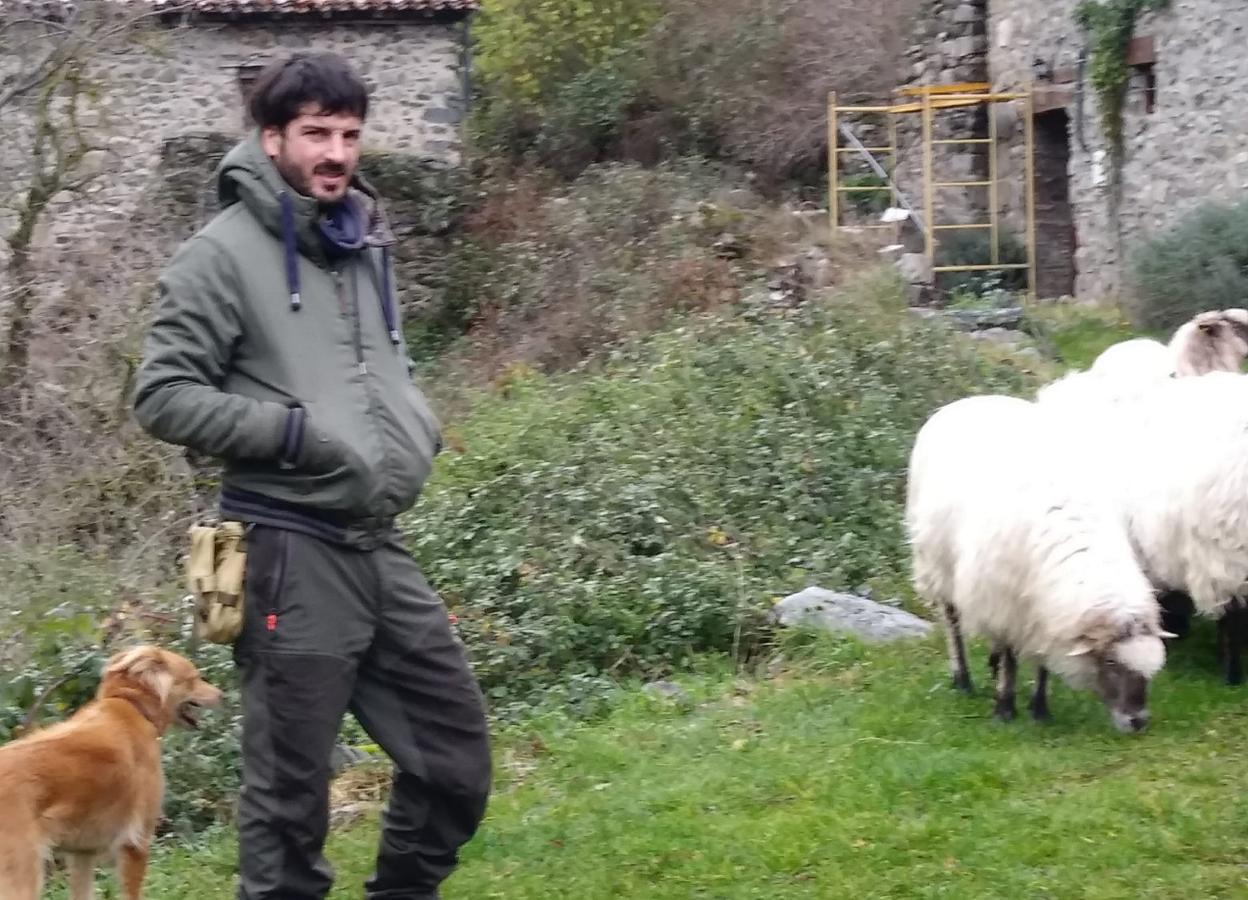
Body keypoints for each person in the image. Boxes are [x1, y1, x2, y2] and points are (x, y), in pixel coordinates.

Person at [132, 51, 492, 899]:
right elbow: (162, 396)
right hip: (287, 550)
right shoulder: (217, 256)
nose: (335, 153)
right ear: (271, 139)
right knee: (290, 801)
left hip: (377, 543)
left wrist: (416, 424)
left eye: (349, 135)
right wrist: (291, 433)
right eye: (315, 134)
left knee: (455, 761)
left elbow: (371, 375)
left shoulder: (361, 243)